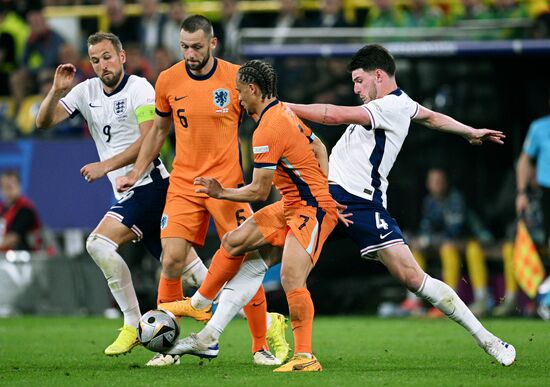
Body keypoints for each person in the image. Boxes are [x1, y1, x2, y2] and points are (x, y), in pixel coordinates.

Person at [285, 44, 516, 366]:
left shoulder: (389, 107)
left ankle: (488, 339)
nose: (355, 89)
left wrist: (280, 107)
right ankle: (215, 327)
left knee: (412, 278)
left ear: (378, 75)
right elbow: (433, 118)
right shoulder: (402, 104)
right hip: (329, 196)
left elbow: (333, 115)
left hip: (360, 202)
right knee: (262, 245)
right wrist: (469, 132)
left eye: (358, 81)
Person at [116, 15, 288, 366]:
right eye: (184, 47)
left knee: (247, 261)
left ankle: (259, 346)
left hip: (226, 187)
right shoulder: (167, 80)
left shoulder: (237, 79)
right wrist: (136, 171)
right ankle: (169, 350)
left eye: (196, 47)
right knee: (172, 260)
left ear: (212, 44)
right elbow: (159, 132)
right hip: (183, 184)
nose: (189, 54)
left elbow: (268, 125)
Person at [163, 59, 339, 372]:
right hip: (293, 204)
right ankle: (202, 310)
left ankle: (305, 357)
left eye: (240, 92)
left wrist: (220, 193)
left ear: (254, 89)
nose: (238, 98)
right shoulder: (284, 111)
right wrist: (321, 186)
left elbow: (258, 192)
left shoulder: (268, 130)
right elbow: (320, 147)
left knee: (290, 278)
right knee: (234, 242)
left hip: (311, 209)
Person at [35, 32, 170, 357]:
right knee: (190, 271)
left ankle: (132, 323)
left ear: (122, 56)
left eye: (108, 56)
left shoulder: (139, 88)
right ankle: (263, 321)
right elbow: (43, 122)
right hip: (129, 192)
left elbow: (148, 139)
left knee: (98, 242)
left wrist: (104, 165)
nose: (102, 65)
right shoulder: (86, 91)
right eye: (95, 60)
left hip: (151, 185)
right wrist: (56, 91)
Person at [407, 168, 492, 318]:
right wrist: (422, 240)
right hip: (445, 244)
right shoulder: (429, 201)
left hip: (468, 242)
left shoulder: (456, 198)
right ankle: (413, 301)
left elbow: (454, 230)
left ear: (446, 183)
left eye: (440, 181)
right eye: (433, 181)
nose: (437, 184)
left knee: (448, 248)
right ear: (428, 184)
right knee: (416, 249)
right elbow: (426, 228)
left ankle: (451, 301)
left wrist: (430, 240)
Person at [516, 92, 550, 319]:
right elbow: (525, 160)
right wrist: (521, 192)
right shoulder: (539, 128)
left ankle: (546, 295)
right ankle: (545, 297)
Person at [0, 170, 42, 252]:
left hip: (25, 258)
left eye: (10, 187)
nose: (6, 191)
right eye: (3, 187)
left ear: (19, 187)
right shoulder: (2, 208)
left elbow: (13, 238)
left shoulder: (25, 209)